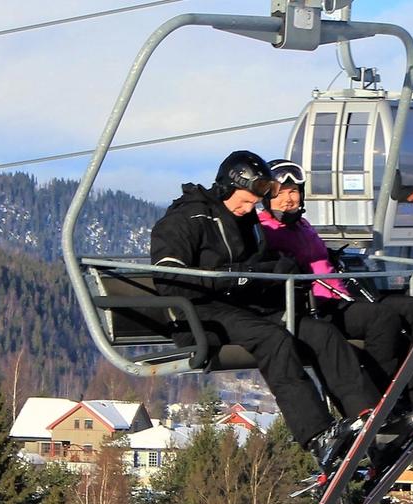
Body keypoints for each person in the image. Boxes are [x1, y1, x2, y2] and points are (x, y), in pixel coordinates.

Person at [150, 150, 381, 475]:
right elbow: (169, 279)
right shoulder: (187, 219)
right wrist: (233, 277)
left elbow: (254, 267)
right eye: (244, 202)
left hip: (244, 306)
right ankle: (317, 435)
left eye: (253, 204)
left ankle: (368, 421)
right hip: (199, 313)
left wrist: (273, 269)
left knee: (321, 333)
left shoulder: (246, 222)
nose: (248, 210)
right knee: (273, 339)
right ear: (227, 187)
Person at [257, 159, 413, 415]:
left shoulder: (303, 226)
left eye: (293, 192)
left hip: (344, 295)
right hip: (318, 305)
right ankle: (383, 393)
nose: (288, 199)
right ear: (266, 197)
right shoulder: (266, 231)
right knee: (382, 319)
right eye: (279, 193)